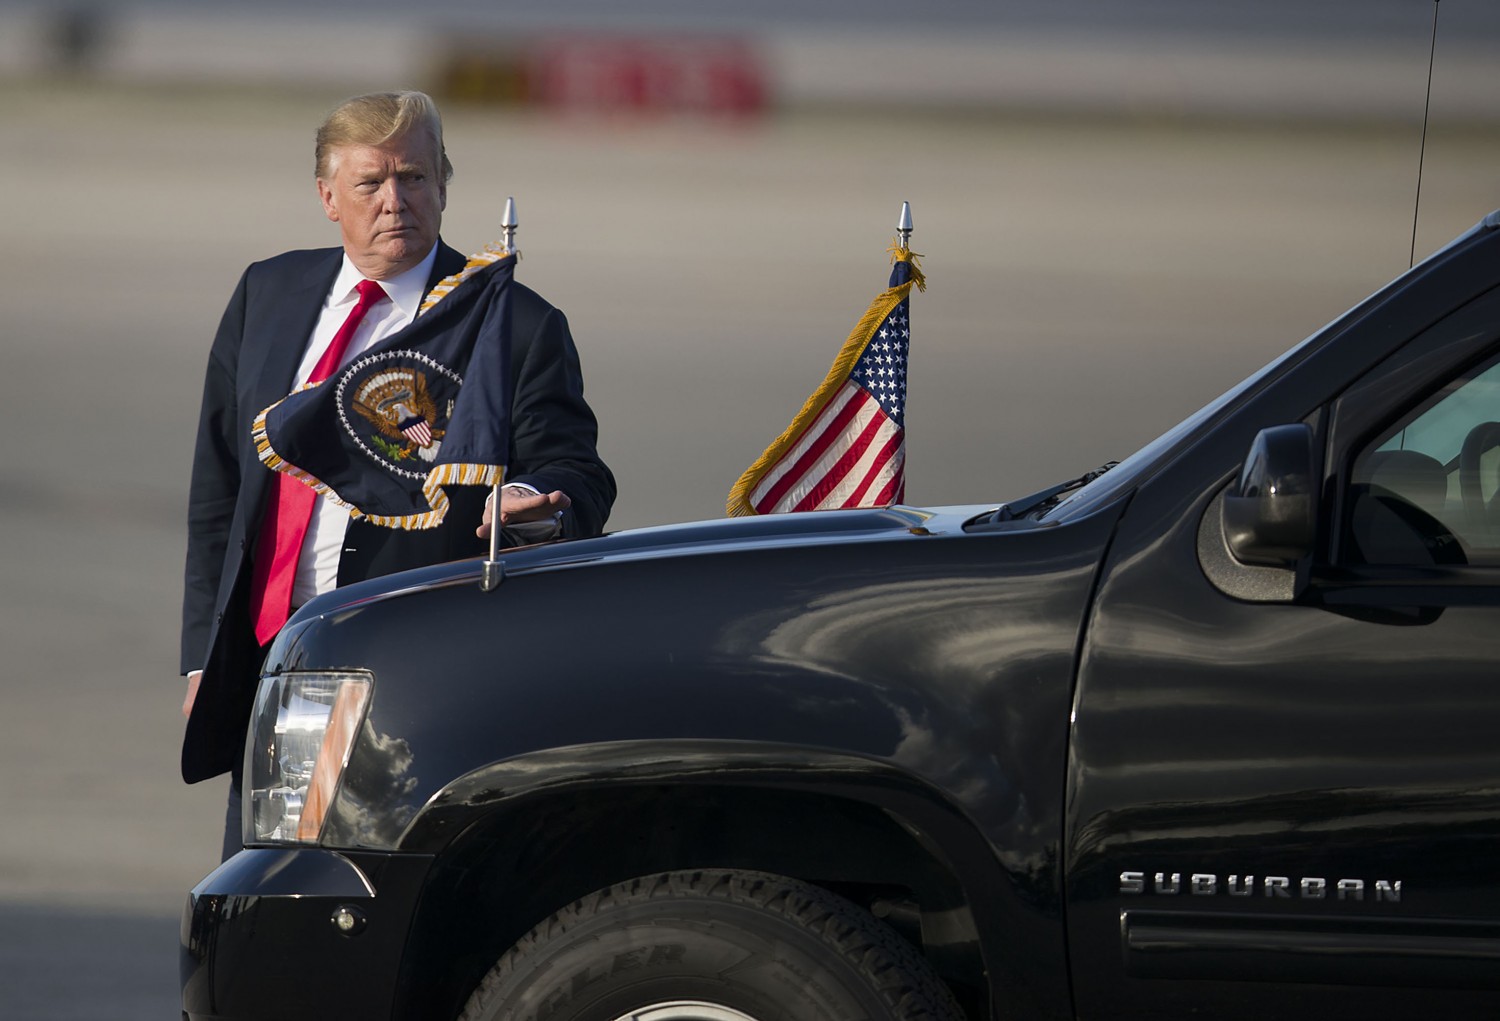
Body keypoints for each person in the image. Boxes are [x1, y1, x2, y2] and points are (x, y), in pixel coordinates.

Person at [180, 91, 615, 857]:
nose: (396, 202)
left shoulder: (511, 321)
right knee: (268, 889)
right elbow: (219, 490)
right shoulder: (267, 295)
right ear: (327, 198)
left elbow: (575, 471)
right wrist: (199, 658)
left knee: (369, 889)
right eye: (370, 184)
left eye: (414, 177)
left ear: (444, 183)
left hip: (408, 661)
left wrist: (533, 505)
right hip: (272, 654)